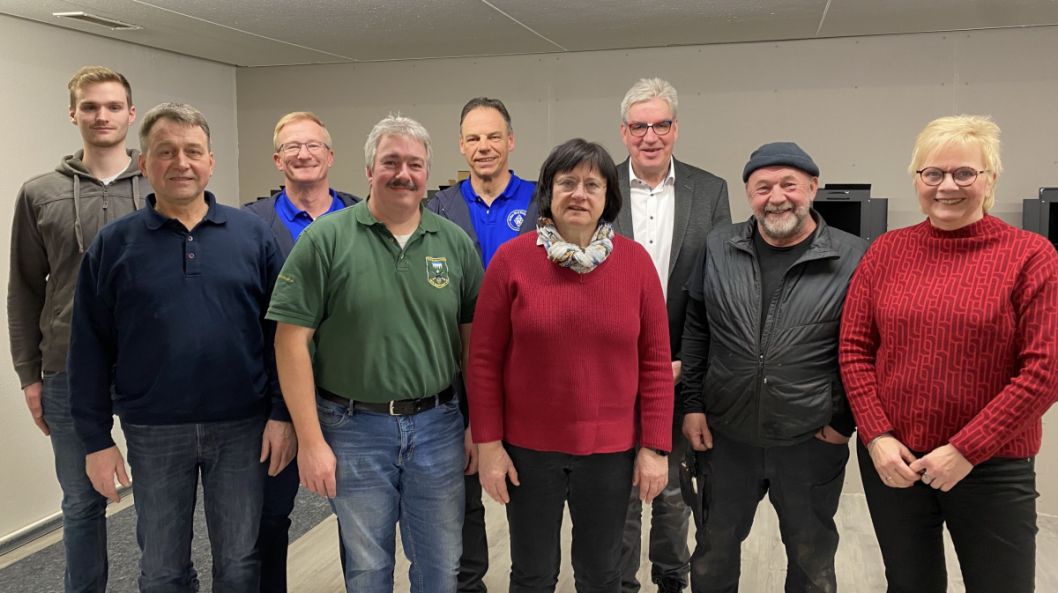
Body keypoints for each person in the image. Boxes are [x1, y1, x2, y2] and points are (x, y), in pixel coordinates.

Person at [68, 102, 289, 592]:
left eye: (193, 151)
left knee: (239, 563)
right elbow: (87, 347)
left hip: (242, 426)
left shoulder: (253, 236)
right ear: (143, 163)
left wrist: (281, 413)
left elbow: (282, 337)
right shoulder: (114, 245)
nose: (181, 163)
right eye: (165, 152)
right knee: (163, 568)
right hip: (153, 428)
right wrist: (96, 440)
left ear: (210, 162)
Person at [839, 115, 1058, 593]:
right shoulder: (885, 251)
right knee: (910, 584)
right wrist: (876, 437)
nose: (946, 187)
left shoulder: (1031, 255)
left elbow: (1044, 371)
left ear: (990, 179)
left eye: (964, 174)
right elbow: (854, 350)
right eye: (932, 174)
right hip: (894, 463)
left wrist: (965, 450)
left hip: (991, 467)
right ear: (917, 179)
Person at [268, 114, 483, 593]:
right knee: (367, 569)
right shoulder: (325, 240)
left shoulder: (454, 244)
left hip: (438, 426)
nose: (403, 173)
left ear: (428, 172)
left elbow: (474, 345)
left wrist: (477, 424)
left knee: (441, 566)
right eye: (391, 162)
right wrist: (311, 440)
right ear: (369, 170)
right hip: (352, 429)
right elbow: (290, 341)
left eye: (415, 164)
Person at [468, 138, 673, 593]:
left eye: (591, 184)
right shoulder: (512, 261)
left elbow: (656, 363)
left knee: (602, 575)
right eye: (567, 183)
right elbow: (483, 361)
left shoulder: (636, 264)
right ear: (549, 191)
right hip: (528, 451)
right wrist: (489, 445)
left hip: (610, 453)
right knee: (532, 573)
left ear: (607, 197)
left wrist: (655, 447)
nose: (579, 194)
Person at [681, 142, 867, 593]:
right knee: (713, 553)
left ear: (812, 187)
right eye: (763, 187)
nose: (777, 197)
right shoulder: (719, 246)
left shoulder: (855, 256)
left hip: (809, 438)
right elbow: (697, 330)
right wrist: (692, 405)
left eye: (789, 184)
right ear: (749, 194)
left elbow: (864, 348)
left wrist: (843, 422)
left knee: (811, 558)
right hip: (726, 437)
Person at [7, 65, 148, 593]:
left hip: (149, 367)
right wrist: (29, 375)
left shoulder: (163, 185)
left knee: (158, 495)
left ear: (131, 114)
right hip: (67, 366)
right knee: (81, 501)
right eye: (90, 106)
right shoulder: (39, 193)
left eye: (113, 106)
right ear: (73, 114)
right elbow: (24, 290)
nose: (102, 116)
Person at [613, 78, 731, 593]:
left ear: (675, 129)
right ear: (624, 132)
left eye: (661, 124)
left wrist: (689, 360)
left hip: (684, 363)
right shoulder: (599, 186)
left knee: (674, 487)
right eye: (640, 126)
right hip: (612, 368)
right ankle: (619, 581)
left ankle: (670, 578)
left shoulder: (711, 190)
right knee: (618, 485)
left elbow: (721, 282)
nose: (651, 136)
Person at [243, 111, 359, 593]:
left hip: (352, 399)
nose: (303, 154)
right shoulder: (249, 225)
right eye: (292, 147)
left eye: (313, 145)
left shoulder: (363, 214)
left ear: (330, 156)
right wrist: (280, 409)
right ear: (277, 160)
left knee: (359, 522)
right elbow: (249, 322)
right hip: (276, 402)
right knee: (269, 520)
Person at [426, 96, 535, 593]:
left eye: (493, 136)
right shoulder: (438, 208)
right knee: (462, 489)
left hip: (531, 372)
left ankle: (531, 580)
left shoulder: (542, 200)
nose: (484, 146)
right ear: (461, 146)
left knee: (529, 490)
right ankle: (469, 583)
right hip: (462, 368)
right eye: (473, 137)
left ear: (511, 141)